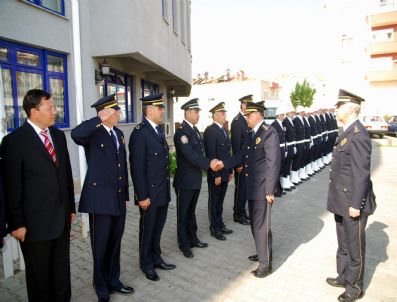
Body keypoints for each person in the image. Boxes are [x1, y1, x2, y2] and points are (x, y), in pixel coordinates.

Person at [1, 89, 76, 302]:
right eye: (50, 107)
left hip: (61, 220)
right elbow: (12, 187)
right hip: (34, 226)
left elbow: (66, 175)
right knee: (39, 280)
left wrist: (70, 207)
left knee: (61, 276)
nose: (55, 111)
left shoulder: (59, 136)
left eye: (54, 106)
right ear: (34, 111)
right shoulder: (14, 142)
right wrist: (16, 224)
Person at [71, 94, 134, 302]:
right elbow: (76, 134)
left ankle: (114, 280)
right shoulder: (93, 133)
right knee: (100, 245)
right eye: (116, 111)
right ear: (105, 113)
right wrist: (98, 120)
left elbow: (122, 167)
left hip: (117, 198)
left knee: (115, 243)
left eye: (118, 111)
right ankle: (101, 286)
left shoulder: (118, 133)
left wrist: (125, 194)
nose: (119, 114)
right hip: (100, 199)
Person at [326, 89, 372, 302]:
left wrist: (356, 204)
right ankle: (343, 276)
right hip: (340, 200)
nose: (336, 109)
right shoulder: (347, 132)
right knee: (343, 243)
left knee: (355, 247)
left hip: (352, 202)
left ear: (350, 109)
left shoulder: (358, 135)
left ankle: (354, 287)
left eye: (339, 106)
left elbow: (361, 173)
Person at [129, 93, 176, 282]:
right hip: (149, 194)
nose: (163, 111)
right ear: (150, 110)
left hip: (162, 191)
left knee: (158, 228)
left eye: (163, 108)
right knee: (147, 229)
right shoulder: (140, 133)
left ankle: (156, 257)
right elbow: (137, 168)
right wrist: (142, 195)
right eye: (160, 108)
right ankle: (146, 263)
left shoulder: (157, 130)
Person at [173, 98, 222, 258]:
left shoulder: (194, 130)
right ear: (187, 112)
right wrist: (210, 163)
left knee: (191, 211)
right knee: (183, 213)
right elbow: (191, 156)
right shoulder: (181, 132)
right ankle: (184, 244)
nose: (198, 114)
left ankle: (193, 238)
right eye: (195, 111)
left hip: (194, 179)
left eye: (198, 111)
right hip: (185, 181)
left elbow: (198, 154)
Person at [244, 101, 280, 278]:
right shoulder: (253, 133)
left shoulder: (268, 133)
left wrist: (270, 190)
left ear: (258, 115)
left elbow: (273, 163)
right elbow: (244, 157)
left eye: (248, 115)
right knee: (255, 225)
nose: (247, 119)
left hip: (263, 189)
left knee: (261, 226)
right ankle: (262, 252)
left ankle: (265, 265)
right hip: (252, 186)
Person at [203, 102, 234, 241]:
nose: (224, 116)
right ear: (215, 115)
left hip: (225, 172)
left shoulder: (224, 130)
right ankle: (214, 228)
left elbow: (228, 153)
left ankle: (220, 224)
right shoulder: (210, 131)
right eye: (222, 113)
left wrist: (230, 170)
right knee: (214, 201)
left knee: (220, 201)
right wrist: (215, 174)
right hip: (216, 174)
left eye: (225, 113)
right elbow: (211, 155)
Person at [230, 94, 253, 225]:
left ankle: (242, 212)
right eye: (248, 105)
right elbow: (236, 144)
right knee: (240, 189)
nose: (249, 108)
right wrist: (238, 164)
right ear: (243, 105)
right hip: (240, 163)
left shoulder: (245, 120)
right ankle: (237, 214)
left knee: (244, 189)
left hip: (246, 161)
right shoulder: (237, 121)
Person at [271, 106, 289, 193]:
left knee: (280, 170)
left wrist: (285, 150)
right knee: (276, 171)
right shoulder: (274, 125)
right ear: (278, 115)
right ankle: (276, 190)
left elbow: (284, 138)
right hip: (277, 150)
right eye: (282, 115)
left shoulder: (281, 124)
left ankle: (279, 188)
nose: (283, 116)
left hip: (282, 150)